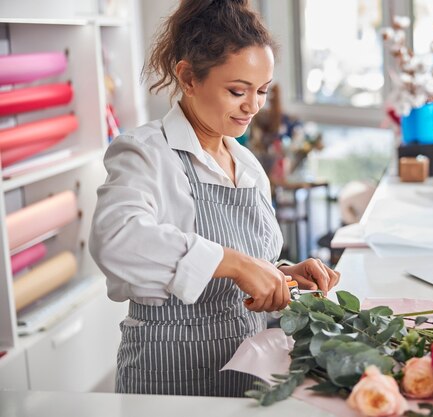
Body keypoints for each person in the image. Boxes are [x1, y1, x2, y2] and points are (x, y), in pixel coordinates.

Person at [89, 0, 340, 397]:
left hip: (246, 370)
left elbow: (238, 274)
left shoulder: (247, 165)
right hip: (169, 379)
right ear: (188, 77)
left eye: (262, 91)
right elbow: (116, 239)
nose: (253, 106)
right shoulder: (145, 152)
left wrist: (280, 276)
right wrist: (235, 263)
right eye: (237, 91)